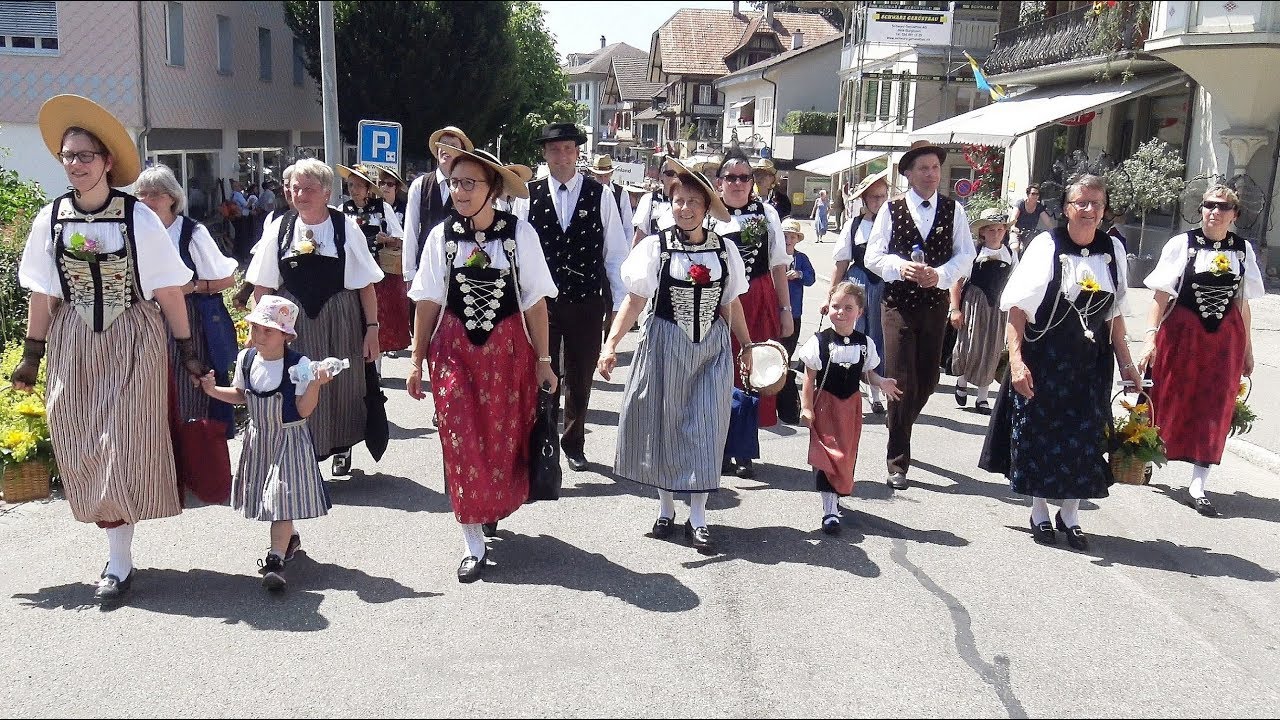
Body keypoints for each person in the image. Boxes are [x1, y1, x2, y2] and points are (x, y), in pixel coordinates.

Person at [11, 94, 207, 603]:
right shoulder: (49, 219)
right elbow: (43, 291)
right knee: (75, 433)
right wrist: (32, 356)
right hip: (74, 336)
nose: (75, 165)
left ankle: (118, 558)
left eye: (84, 156)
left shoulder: (138, 217)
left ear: (107, 162)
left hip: (132, 337)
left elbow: (167, 290)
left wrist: (187, 350)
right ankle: (114, 542)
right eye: (68, 156)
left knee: (120, 438)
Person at [406, 148, 558, 582]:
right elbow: (428, 301)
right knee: (459, 439)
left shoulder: (518, 235)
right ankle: (472, 541)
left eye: (470, 183)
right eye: (454, 183)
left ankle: (490, 504)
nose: (460, 191)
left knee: (501, 437)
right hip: (454, 351)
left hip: (507, 353)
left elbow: (534, 302)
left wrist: (545, 362)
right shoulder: (442, 237)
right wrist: (416, 361)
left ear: (493, 189)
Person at [980, 174, 1142, 550]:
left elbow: (1115, 313)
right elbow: (1017, 308)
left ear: (1104, 211)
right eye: (1081, 203)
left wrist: (1128, 363)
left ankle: (1070, 514)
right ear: (1067, 208)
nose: (1089, 210)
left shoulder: (1113, 250)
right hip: (1046, 356)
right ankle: (1038, 510)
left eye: (1096, 204)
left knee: (1085, 439)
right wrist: (1016, 362)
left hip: (1091, 363)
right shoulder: (1045, 246)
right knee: (1040, 434)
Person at [598, 158, 752, 552]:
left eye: (693, 202)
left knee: (706, 428)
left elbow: (730, 304)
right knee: (665, 427)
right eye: (678, 201)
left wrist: (747, 346)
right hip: (666, 344)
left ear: (706, 207)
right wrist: (612, 343)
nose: (684, 208)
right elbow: (635, 301)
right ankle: (666, 509)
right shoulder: (656, 247)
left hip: (711, 350)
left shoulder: (724, 249)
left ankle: (697, 516)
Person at [245, 158, 384, 476]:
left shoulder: (345, 227)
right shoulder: (279, 228)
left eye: (309, 188)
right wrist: (262, 331)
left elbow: (365, 286)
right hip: (293, 321)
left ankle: (342, 446)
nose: (300, 194)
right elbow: (263, 285)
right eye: (296, 188)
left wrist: (372, 330)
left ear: (326, 192)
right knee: (298, 381)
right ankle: (304, 450)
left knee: (341, 383)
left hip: (341, 318)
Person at [1139, 185, 1264, 517]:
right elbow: (1160, 296)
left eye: (1223, 207)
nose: (1214, 212)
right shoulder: (1183, 244)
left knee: (1216, 403)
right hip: (1182, 330)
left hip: (1225, 337)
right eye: (1209, 205)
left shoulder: (1242, 251)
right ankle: (1149, 452)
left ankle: (1198, 484)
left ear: (1234, 214)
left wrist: (1248, 349)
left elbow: (1242, 302)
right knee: (1166, 394)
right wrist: (1150, 337)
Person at [511, 123, 628, 472]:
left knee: (580, 376)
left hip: (586, 299)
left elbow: (615, 252)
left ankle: (574, 443)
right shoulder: (526, 196)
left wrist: (619, 304)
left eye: (567, 149)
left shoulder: (600, 194)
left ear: (577, 153)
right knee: (543, 372)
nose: (561, 156)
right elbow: (516, 252)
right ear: (544, 155)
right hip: (541, 304)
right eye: (554, 150)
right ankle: (541, 437)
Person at [198, 295, 335, 591]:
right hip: (260, 439)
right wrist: (212, 391)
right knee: (273, 498)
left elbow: (303, 410)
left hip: (289, 438)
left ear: (286, 335)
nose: (259, 335)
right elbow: (240, 395)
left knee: (280, 498)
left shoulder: (299, 365)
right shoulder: (247, 359)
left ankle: (275, 560)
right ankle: (290, 539)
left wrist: (314, 383)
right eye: (256, 328)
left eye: (268, 330)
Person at [866, 140, 976, 490]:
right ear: (909, 174)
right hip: (897, 303)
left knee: (928, 380)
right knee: (899, 380)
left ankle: (901, 423)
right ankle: (898, 461)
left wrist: (940, 275)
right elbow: (874, 257)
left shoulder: (953, 210)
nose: (931, 174)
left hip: (934, 305)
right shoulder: (892, 209)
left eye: (935, 167)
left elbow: (966, 256)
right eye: (923, 168)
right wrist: (902, 267)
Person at [134, 165, 239, 431]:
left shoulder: (191, 232)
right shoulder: (133, 234)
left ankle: (195, 456)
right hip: (144, 322)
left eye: (155, 194)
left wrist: (189, 287)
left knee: (188, 393)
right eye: (141, 195)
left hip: (188, 321)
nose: (147, 201)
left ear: (172, 197)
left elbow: (227, 280)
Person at [714, 150, 793, 478]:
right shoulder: (708, 212)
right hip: (718, 303)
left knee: (751, 374)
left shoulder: (765, 213)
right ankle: (717, 448)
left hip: (758, 298)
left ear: (752, 182)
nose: (737, 183)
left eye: (744, 177)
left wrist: (786, 310)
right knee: (718, 376)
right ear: (720, 182)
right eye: (731, 177)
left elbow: (777, 265)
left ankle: (743, 450)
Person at [799, 282, 900, 535]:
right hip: (825, 406)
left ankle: (837, 494)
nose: (841, 312)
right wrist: (806, 407)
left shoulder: (864, 343)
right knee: (827, 456)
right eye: (835, 306)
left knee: (845, 454)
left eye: (848, 307)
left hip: (850, 407)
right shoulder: (819, 341)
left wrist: (881, 382)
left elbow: (867, 374)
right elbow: (809, 378)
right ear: (828, 308)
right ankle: (829, 509)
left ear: (860, 312)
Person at [830, 169, 891, 414]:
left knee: (880, 340)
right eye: (874, 197)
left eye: (883, 196)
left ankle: (877, 393)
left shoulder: (894, 225)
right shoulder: (854, 226)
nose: (879, 201)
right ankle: (851, 389)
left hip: (885, 286)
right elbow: (841, 262)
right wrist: (832, 295)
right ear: (865, 199)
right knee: (855, 338)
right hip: (859, 285)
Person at [949, 208, 1016, 415]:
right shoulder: (974, 255)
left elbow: (1015, 283)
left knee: (992, 348)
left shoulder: (1011, 255)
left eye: (1000, 229)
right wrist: (954, 309)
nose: (996, 233)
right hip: (974, 303)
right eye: (992, 230)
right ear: (983, 233)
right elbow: (956, 282)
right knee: (970, 345)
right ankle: (962, 380)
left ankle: (982, 397)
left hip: (997, 306)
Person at [338, 163, 410, 357]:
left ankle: (376, 368)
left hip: (377, 270)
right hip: (351, 270)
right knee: (354, 316)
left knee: (378, 319)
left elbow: (402, 239)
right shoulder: (342, 210)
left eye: (359, 186)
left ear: (368, 188)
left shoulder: (383, 208)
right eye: (351, 185)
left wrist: (387, 239)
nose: (354, 190)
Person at [404, 126, 473, 280]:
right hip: (425, 269)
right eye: (442, 144)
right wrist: (409, 274)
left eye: (452, 145)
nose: (445, 149)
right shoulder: (420, 185)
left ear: (462, 153)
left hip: (460, 270)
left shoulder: (470, 186)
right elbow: (411, 232)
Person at [776, 218, 814, 424]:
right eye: (785, 236)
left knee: (787, 352)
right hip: (775, 311)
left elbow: (811, 278)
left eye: (792, 236)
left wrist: (799, 274)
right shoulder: (775, 256)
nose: (788, 239)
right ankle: (774, 391)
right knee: (775, 351)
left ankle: (784, 394)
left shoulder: (801, 258)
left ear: (797, 240)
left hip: (795, 313)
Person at [633, 151, 678, 243]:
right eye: (670, 174)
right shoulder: (649, 199)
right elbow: (640, 234)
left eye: (678, 174)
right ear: (661, 176)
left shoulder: (687, 203)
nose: (675, 178)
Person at [1009, 184, 1052, 257]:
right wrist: (1013, 227)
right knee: (1015, 247)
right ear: (1028, 194)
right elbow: (1013, 218)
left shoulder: (1039, 207)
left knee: (1036, 250)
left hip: (1030, 233)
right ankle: (1012, 266)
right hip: (1017, 232)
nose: (1035, 196)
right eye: (1033, 194)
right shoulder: (1021, 203)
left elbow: (1047, 221)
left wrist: (1052, 230)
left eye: (1037, 194)